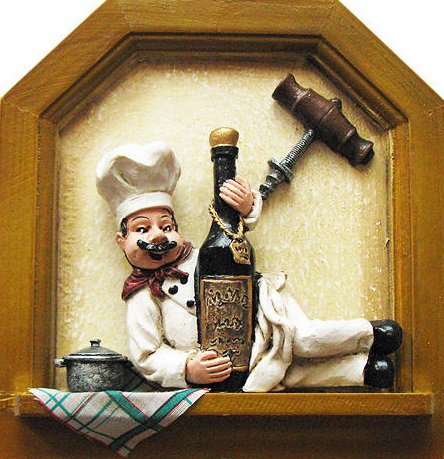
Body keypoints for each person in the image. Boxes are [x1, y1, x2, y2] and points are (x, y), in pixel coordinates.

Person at [96, 141, 402, 392]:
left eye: (166, 226)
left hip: (262, 308)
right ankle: (364, 370)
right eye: (142, 229)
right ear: (121, 240)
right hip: (239, 357)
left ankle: (371, 334)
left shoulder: (202, 254)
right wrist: (186, 368)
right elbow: (147, 355)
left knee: (302, 339)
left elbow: (231, 237)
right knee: (285, 374)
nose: (158, 236)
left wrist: (245, 208)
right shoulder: (142, 296)